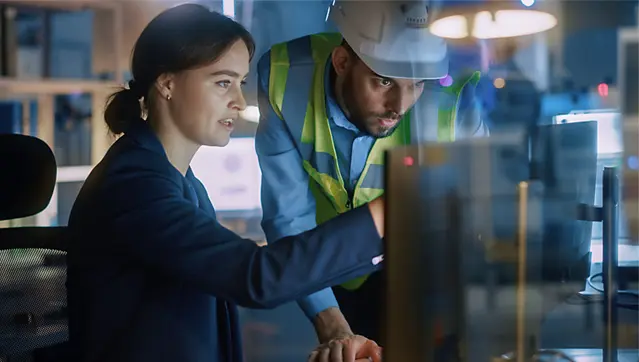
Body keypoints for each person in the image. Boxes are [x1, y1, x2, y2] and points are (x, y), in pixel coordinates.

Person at [66, 4, 386, 362]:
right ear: (167, 83)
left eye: (241, 83)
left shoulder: (181, 181)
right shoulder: (135, 186)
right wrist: (383, 216)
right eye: (222, 82)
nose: (238, 101)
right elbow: (255, 277)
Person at [255, 0, 490, 347]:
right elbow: (288, 215)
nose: (401, 105)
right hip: (325, 268)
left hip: (423, 272)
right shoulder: (283, 76)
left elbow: (476, 215)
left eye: (417, 84)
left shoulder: (455, 94)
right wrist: (332, 324)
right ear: (342, 61)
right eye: (383, 81)